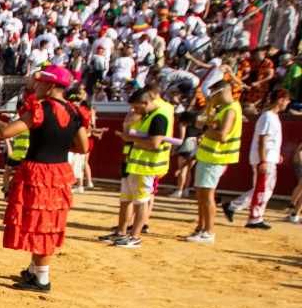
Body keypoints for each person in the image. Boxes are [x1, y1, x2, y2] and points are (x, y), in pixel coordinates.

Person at [0, 65, 87, 292]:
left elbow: (5, 132)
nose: (35, 87)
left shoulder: (39, 109)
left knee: (40, 225)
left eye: (39, 83)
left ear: (50, 86)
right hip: (59, 173)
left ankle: (41, 279)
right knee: (47, 223)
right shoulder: (74, 111)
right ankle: (34, 271)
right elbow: (83, 146)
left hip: (38, 172)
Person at [109, 84, 174, 249]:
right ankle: (122, 232)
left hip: (146, 167)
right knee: (127, 199)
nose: (135, 111)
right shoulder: (147, 116)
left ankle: (135, 236)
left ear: (145, 103)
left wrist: (130, 138)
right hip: (135, 164)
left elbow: (155, 143)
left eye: (136, 107)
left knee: (141, 202)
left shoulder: (158, 117)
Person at [223, 89, 289, 230]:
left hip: (267, 157)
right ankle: (254, 217)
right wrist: (264, 160)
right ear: (280, 100)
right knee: (262, 189)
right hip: (264, 159)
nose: (288, 103)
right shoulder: (268, 117)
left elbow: (268, 141)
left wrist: (276, 155)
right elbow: (262, 140)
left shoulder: (271, 117)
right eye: (287, 100)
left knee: (263, 188)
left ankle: (236, 207)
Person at [186, 78, 242, 244]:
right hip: (209, 157)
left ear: (220, 92)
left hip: (215, 157)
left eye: (213, 95)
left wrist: (205, 129)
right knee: (202, 195)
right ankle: (201, 228)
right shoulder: (225, 109)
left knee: (207, 196)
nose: (210, 98)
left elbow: (221, 135)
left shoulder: (230, 110)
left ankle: (208, 231)